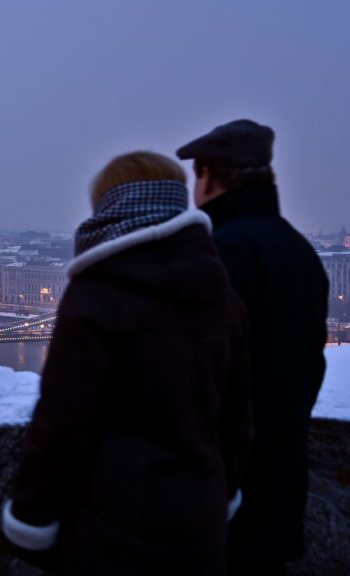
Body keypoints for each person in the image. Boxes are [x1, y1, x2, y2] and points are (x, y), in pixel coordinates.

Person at [1, 151, 252, 575]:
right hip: (200, 519)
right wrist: (222, 493)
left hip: (111, 523)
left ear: (108, 207)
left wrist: (30, 519)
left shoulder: (97, 294)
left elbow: (62, 424)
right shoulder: (222, 295)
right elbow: (237, 416)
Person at [176, 120, 329, 574]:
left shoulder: (220, 252)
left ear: (208, 177)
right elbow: (310, 365)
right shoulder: (300, 251)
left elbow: (199, 377)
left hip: (225, 486)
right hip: (283, 475)